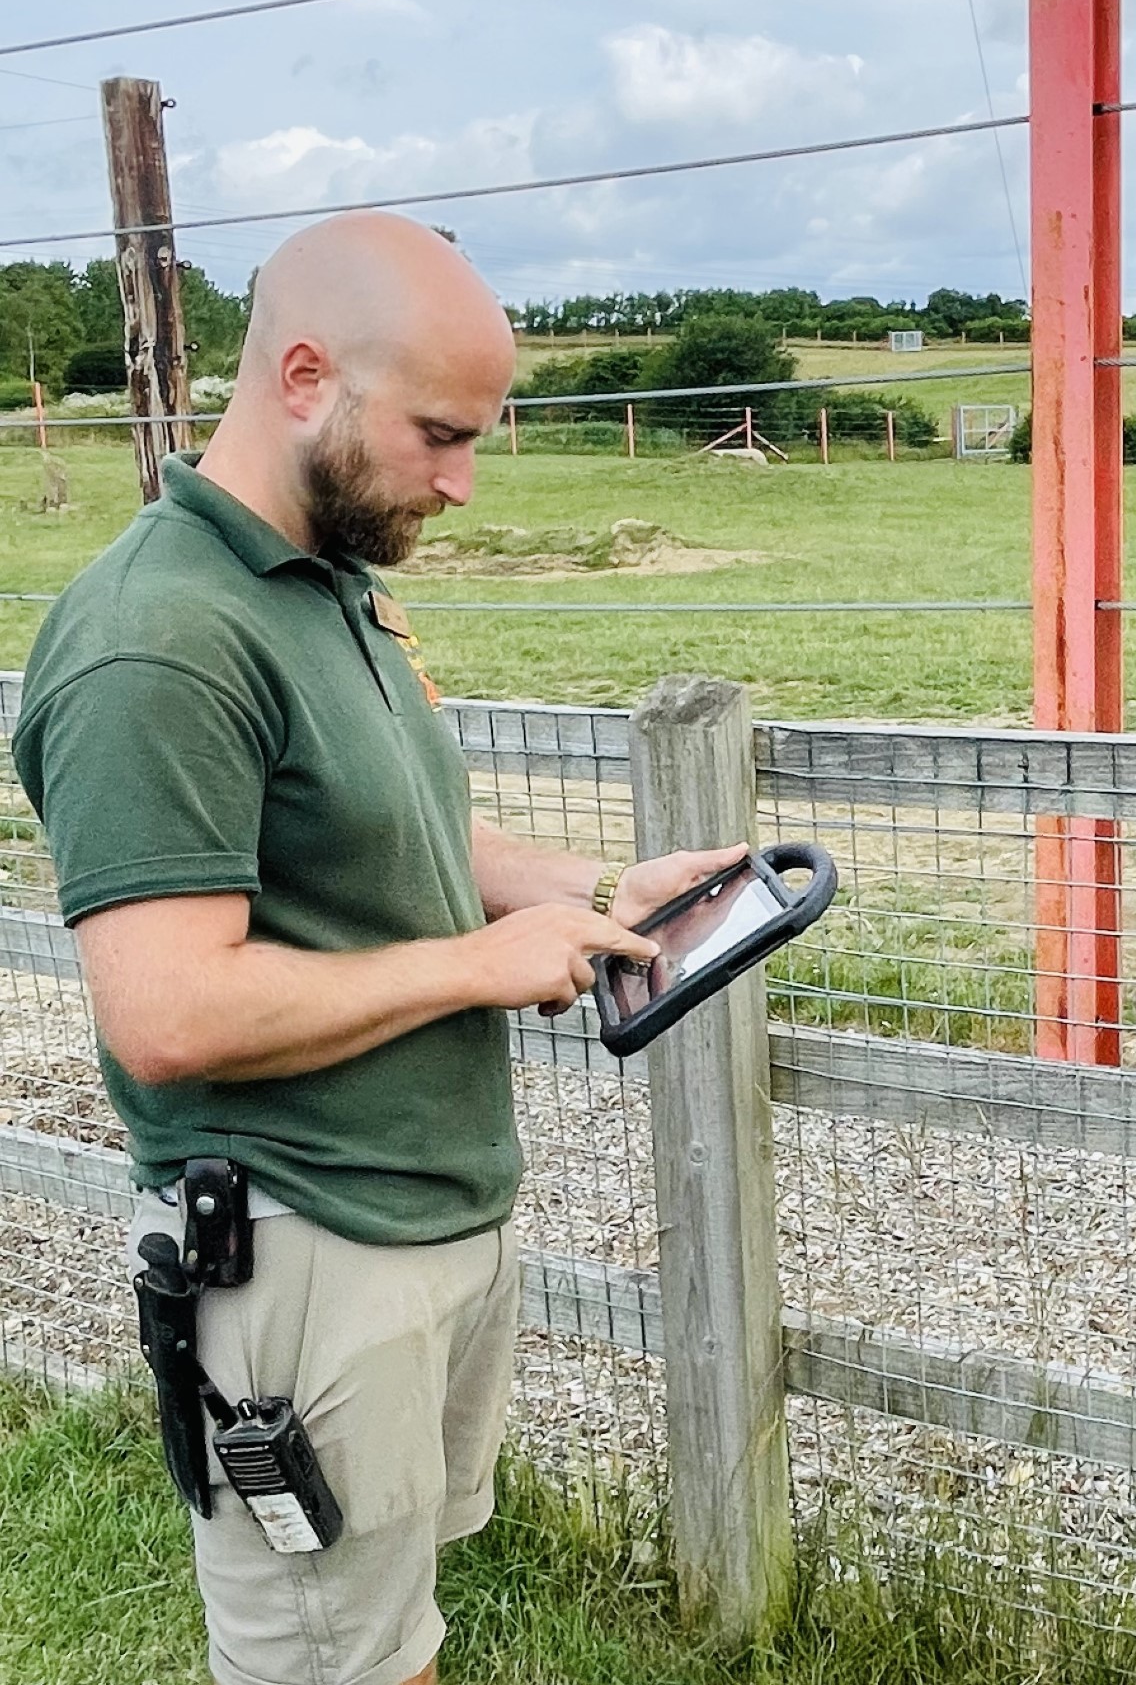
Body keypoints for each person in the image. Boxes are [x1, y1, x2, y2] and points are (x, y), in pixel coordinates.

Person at [12, 212, 742, 1685]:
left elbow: (407, 838)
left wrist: (597, 890)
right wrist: (482, 967)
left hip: (424, 1219)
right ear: (301, 378)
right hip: (300, 1252)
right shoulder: (158, 641)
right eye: (438, 434)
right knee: (323, 1663)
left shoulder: (331, 586)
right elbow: (163, 1011)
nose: (463, 482)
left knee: (386, 1632)